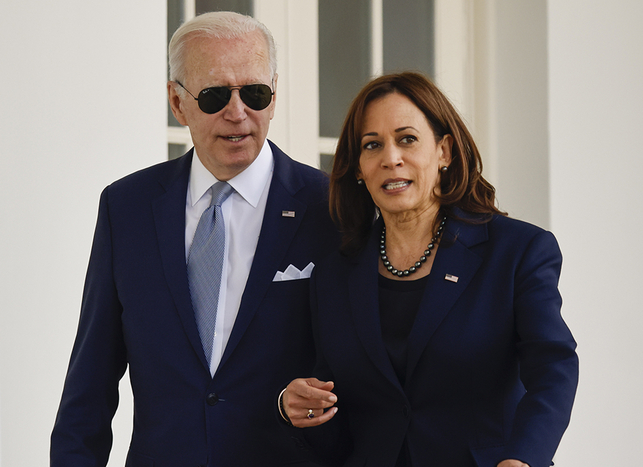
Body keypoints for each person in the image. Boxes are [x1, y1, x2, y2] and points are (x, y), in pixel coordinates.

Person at [50, 11, 338, 467]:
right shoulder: (126, 207)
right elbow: (91, 380)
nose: (238, 112)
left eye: (256, 93)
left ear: (275, 95)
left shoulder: (330, 207)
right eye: (215, 95)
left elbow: (365, 372)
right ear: (176, 101)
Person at [280, 72, 578, 467]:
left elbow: (554, 369)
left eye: (407, 139)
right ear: (358, 169)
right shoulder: (334, 276)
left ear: (444, 152)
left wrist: (523, 459)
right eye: (372, 146)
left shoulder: (518, 251)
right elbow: (336, 414)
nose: (391, 158)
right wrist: (301, 410)